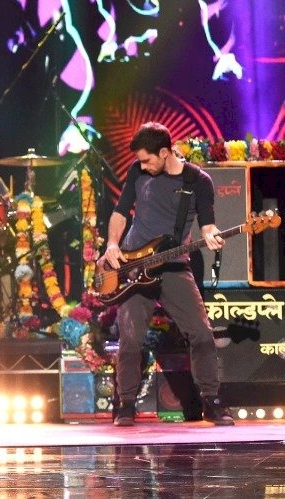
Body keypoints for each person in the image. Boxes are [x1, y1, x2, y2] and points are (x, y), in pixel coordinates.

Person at [98, 122, 233, 427]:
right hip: (134, 266)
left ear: (164, 152)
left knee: (201, 333)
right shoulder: (138, 172)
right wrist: (112, 244)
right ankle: (126, 405)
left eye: (147, 160)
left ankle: (211, 401)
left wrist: (211, 236)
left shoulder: (198, 180)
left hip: (174, 265)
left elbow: (208, 225)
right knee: (130, 338)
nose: (143, 165)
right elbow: (120, 212)